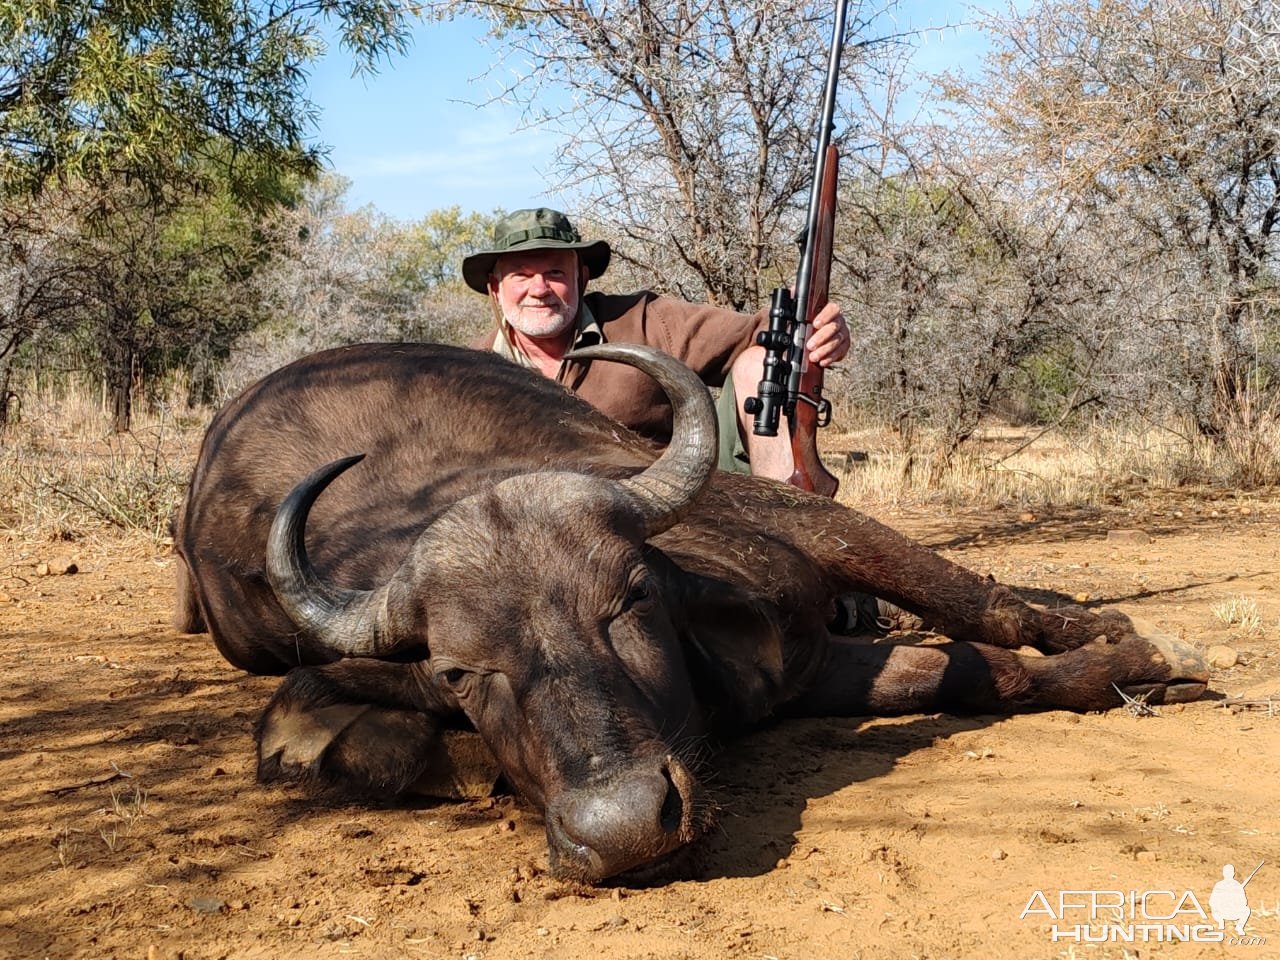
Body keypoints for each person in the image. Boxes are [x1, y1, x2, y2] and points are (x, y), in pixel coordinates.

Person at [462, 207, 850, 482]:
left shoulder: (646, 320)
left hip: (674, 517)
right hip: (543, 540)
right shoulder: (467, 373)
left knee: (760, 363)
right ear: (495, 289)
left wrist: (817, 331)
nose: (539, 289)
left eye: (554, 272)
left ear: (581, 277)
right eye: (521, 275)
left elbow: (761, 333)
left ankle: (796, 545)